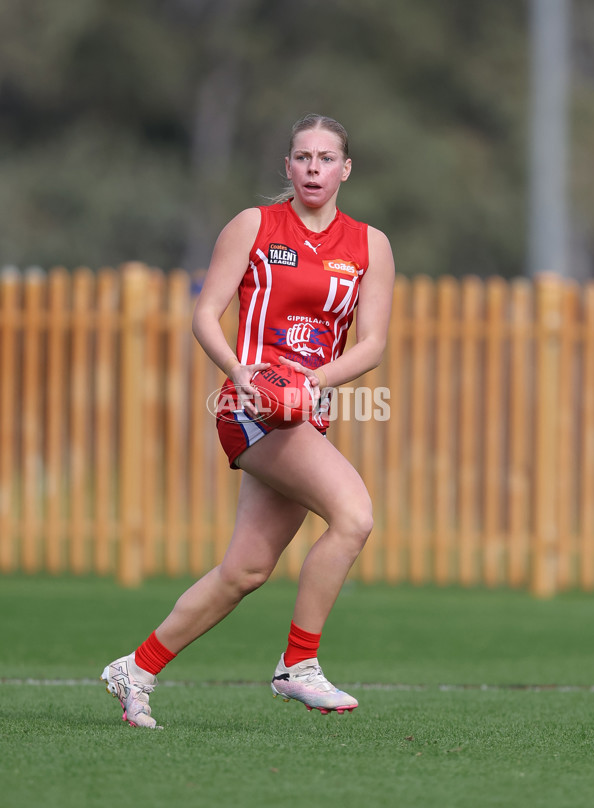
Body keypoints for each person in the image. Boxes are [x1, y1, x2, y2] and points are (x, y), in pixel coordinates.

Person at [101, 113, 395, 728]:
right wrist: (241, 374)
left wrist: (314, 383)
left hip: (305, 410)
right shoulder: (255, 226)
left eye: (326, 158)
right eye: (302, 157)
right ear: (287, 166)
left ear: (346, 169)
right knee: (354, 515)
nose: (313, 168)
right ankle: (299, 665)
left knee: (246, 571)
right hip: (252, 408)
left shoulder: (369, 245)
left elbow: (371, 345)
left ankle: (138, 667)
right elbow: (206, 313)